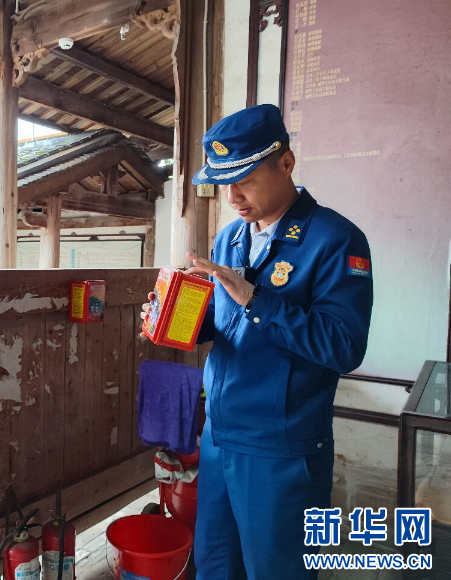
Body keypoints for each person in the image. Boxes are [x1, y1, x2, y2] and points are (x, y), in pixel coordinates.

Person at [142, 104, 373, 579]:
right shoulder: (230, 238)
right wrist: (174, 318)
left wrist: (254, 296)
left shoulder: (335, 239)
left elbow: (344, 346)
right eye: (223, 183)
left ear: (286, 163)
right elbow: (223, 323)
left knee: (277, 570)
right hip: (219, 434)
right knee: (215, 564)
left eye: (244, 180)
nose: (232, 196)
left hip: (280, 445)